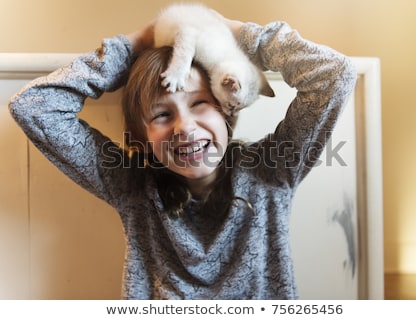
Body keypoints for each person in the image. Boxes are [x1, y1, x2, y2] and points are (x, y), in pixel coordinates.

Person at [9, 9, 357, 299]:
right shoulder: (131, 186)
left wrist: (227, 31)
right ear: (141, 137)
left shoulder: (272, 170)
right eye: (161, 114)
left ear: (226, 110)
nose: (185, 128)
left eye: (199, 104)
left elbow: (334, 74)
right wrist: (138, 43)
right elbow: (33, 107)